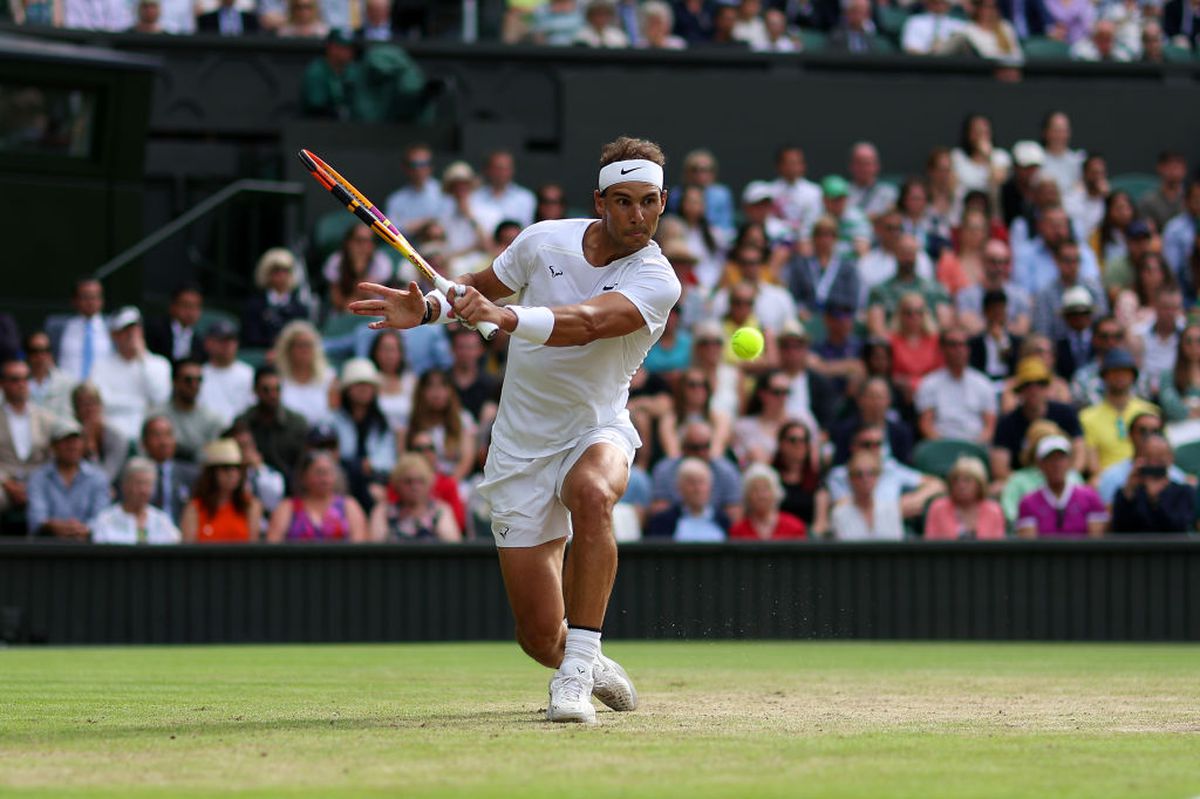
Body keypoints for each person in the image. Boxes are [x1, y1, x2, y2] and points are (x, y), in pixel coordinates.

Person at [349, 135, 680, 723]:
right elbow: (477, 291)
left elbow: (585, 324)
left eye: (649, 201)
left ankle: (575, 675)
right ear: (599, 202)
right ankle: (582, 658)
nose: (638, 215)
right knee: (536, 638)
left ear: (662, 201)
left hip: (597, 426)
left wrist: (505, 318)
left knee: (592, 493)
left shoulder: (658, 279)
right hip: (520, 449)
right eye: (624, 201)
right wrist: (427, 309)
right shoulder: (542, 240)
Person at [992, 356, 1084, 482]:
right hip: (1023, 481)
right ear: (1020, 390)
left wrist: (1065, 478)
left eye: (1040, 384)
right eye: (1028, 385)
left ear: (1047, 387)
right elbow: (1000, 469)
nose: (1034, 390)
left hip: (1063, 478)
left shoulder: (1065, 412)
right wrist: (1028, 484)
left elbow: (1080, 453)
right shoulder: (1007, 423)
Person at [826, 424, 944, 521]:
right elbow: (841, 507)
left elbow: (937, 484)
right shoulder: (839, 474)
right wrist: (893, 510)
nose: (873, 449)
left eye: (877, 444)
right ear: (853, 447)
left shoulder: (891, 468)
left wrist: (914, 499)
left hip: (891, 532)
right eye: (866, 444)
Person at [90, 307, 172, 443]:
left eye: (135, 329)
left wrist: (142, 359)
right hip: (112, 436)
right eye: (125, 331)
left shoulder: (160, 364)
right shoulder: (100, 366)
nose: (131, 335)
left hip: (147, 438)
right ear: (114, 335)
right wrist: (140, 403)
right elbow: (102, 402)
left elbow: (159, 398)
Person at [25, 417, 110, 538]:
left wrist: (83, 529)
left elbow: (102, 518)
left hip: (88, 548)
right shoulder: (39, 477)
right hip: (48, 547)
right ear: (53, 446)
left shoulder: (98, 477)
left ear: (83, 444)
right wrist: (54, 526)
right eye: (65, 441)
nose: (72, 446)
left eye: (76, 440)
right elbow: (36, 519)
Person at [329, 357, 396, 510]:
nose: (364, 389)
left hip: (375, 479)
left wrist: (371, 465)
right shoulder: (333, 420)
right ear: (347, 389)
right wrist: (358, 465)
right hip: (342, 476)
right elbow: (332, 455)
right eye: (358, 385)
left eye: (368, 385)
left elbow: (388, 459)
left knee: (376, 493)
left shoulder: (382, 422)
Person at [1080, 349, 1161, 474]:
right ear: (1105, 376)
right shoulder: (1087, 417)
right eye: (1114, 372)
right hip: (1107, 480)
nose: (1120, 376)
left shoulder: (1150, 412)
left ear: (1133, 376)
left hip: (1147, 475)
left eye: (1125, 372)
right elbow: (1093, 465)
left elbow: (1161, 452)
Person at [915, 327, 996, 443]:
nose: (959, 349)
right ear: (942, 349)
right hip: (941, 447)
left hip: (975, 446)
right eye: (953, 345)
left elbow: (989, 427)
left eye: (963, 344)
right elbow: (926, 425)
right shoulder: (929, 383)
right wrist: (947, 448)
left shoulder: (983, 383)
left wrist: (974, 446)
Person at [1016, 435, 1107, 538]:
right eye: (1050, 459)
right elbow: (1029, 546)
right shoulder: (1028, 503)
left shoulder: (1090, 497)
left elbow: (1096, 542)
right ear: (1040, 464)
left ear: (1069, 462)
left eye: (1061, 458)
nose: (1056, 464)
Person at [266, 449, 368, 541]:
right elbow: (273, 545)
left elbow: (359, 544)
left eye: (328, 473)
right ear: (303, 476)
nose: (324, 479)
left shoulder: (349, 506)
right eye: (319, 473)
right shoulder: (287, 507)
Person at [1094, 411, 1189, 505]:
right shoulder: (1112, 476)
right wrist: (1128, 491)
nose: (1149, 436)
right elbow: (1109, 516)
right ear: (1130, 435)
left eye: (1156, 431)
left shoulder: (1176, 476)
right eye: (1143, 431)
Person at [0, 359, 56, 517]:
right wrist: (6, 483)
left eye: (26, 379)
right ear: (3, 384)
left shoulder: (45, 418)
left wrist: (36, 484)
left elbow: (52, 456)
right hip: (3, 483)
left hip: (39, 480)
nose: (21, 384)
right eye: (15, 379)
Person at [180, 438, 262, 543]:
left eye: (237, 468)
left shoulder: (250, 506)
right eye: (226, 468)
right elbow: (188, 550)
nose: (233, 474)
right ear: (212, 473)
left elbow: (253, 548)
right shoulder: (194, 509)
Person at [235, 365, 309, 480]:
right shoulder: (243, 422)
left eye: (277, 389)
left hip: (291, 487)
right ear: (255, 391)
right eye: (266, 390)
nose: (272, 395)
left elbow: (305, 464)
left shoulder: (297, 424)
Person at [1109, 434, 1194, 533]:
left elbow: (1177, 527)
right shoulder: (1127, 493)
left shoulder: (1183, 492)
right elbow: (1119, 528)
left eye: (1159, 457)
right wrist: (1129, 491)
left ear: (1170, 459)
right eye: (1149, 457)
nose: (1154, 463)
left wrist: (1155, 500)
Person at [369, 453, 462, 541]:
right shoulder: (383, 512)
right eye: (408, 481)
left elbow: (452, 546)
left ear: (429, 483)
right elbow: (375, 548)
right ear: (396, 484)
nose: (414, 487)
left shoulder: (440, 511)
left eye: (420, 481)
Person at [407, 369, 477, 483]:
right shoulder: (413, 422)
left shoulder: (463, 419)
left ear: (451, 391)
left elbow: (467, 460)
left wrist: (448, 486)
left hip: (456, 482)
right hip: (421, 483)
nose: (437, 393)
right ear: (421, 392)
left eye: (442, 386)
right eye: (430, 387)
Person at [91, 457, 182, 544]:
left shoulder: (162, 520)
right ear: (125, 485)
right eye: (138, 483)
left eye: (148, 484)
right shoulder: (106, 519)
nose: (143, 490)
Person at [957, 239, 1032, 337]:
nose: (999, 267)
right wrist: (1007, 328)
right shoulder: (966, 296)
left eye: (1004, 262)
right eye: (993, 261)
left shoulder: (1020, 295)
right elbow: (969, 327)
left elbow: (1022, 330)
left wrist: (988, 328)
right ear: (982, 261)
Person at [155, 358, 225, 463]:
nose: (194, 385)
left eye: (199, 380)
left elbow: (214, 457)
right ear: (175, 381)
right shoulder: (157, 415)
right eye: (188, 380)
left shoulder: (213, 420)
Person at [645, 457, 730, 541]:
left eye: (701, 482)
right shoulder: (662, 523)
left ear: (710, 486)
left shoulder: (723, 521)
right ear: (679, 487)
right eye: (691, 483)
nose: (697, 489)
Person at [242, 248, 312, 349]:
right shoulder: (254, 306)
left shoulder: (300, 308)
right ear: (266, 273)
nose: (281, 275)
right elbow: (251, 337)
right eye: (276, 270)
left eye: (286, 270)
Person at [658, 367, 732, 461]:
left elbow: (716, 450)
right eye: (692, 385)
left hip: (711, 464)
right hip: (680, 467)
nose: (698, 390)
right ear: (682, 389)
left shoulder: (720, 418)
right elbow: (672, 453)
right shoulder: (670, 419)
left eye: (703, 385)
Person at [923, 456, 1006, 540]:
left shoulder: (994, 510)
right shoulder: (938, 508)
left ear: (979, 484)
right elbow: (929, 544)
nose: (961, 485)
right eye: (956, 480)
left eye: (967, 480)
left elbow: (998, 548)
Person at [830, 450, 905, 541]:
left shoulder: (891, 510)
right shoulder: (839, 514)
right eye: (859, 474)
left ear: (878, 476)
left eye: (871, 473)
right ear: (850, 479)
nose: (865, 479)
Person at [273, 320, 337, 426]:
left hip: (321, 438)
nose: (305, 350)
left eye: (309, 345)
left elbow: (334, 416)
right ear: (288, 349)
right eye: (300, 345)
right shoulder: (277, 378)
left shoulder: (329, 378)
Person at [196, 320, 255, 427]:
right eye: (221, 340)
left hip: (240, 431)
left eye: (231, 340)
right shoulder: (199, 373)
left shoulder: (248, 373)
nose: (227, 345)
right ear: (208, 343)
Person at [322, 223, 394, 311]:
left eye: (367, 241)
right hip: (343, 313)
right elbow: (337, 300)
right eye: (359, 241)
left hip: (375, 312)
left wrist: (360, 270)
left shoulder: (381, 262)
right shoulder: (336, 261)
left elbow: (370, 294)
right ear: (349, 242)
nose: (363, 246)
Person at [887, 292, 944, 400]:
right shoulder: (890, 340)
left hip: (932, 393)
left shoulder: (936, 340)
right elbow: (887, 371)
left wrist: (917, 384)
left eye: (918, 312)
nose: (914, 317)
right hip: (898, 393)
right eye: (908, 313)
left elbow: (940, 371)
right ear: (900, 315)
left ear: (925, 314)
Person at [728, 463, 806, 540]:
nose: (761, 495)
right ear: (747, 495)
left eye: (765, 489)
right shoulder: (738, 531)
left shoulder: (794, 527)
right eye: (755, 490)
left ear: (775, 492)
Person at [384, 143, 444, 237]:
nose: (419, 169)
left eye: (424, 164)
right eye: (414, 165)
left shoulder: (445, 191)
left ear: (431, 166)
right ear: (405, 168)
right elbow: (390, 232)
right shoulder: (396, 200)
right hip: (407, 249)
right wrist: (424, 223)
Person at [57, 279, 111, 383]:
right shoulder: (60, 327)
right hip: (67, 391)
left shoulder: (112, 327)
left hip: (102, 392)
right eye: (85, 297)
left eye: (95, 297)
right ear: (74, 300)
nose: (90, 302)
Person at [950, 114, 1012, 199]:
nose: (981, 136)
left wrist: (989, 157)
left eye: (985, 132)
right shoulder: (957, 156)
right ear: (968, 134)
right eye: (977, 132)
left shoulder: (1001, 156)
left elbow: (997, 181)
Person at [471, 150, 536, 228]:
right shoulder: (474, 197)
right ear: (487, 170)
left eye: (505, 168)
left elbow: (526, 228)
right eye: (497, 168)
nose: (501, 173)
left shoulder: (525, 198)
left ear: (512, 170)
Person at [144, 284, 205, 363]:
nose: (191, 312)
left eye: (196, 306)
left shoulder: (198, 342)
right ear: (172, 306)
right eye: (186, 305)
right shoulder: (154, 330)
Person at [1158, 322, 1200, 422]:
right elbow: (1170, 406)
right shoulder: (1168, 375)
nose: (1194, 346)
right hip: (1181, 431)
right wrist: (1189, 411)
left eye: (1199, 341)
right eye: (1189, 341)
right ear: (1181, 345)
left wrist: (1187, 402)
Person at [1138, 151, 1188, 232]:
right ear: (1159, 168)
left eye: (1178, 166)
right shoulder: (1148, 201)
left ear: (1184, 169)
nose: (1174, 170)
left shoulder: (1194, 199)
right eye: (1169, 166)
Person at [846, 142, 898, 219]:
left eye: (868, 163)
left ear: (877, 166)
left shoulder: (890, 193)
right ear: (851, 166)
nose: (864, 168)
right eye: (859, 163)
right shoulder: (842, 192)